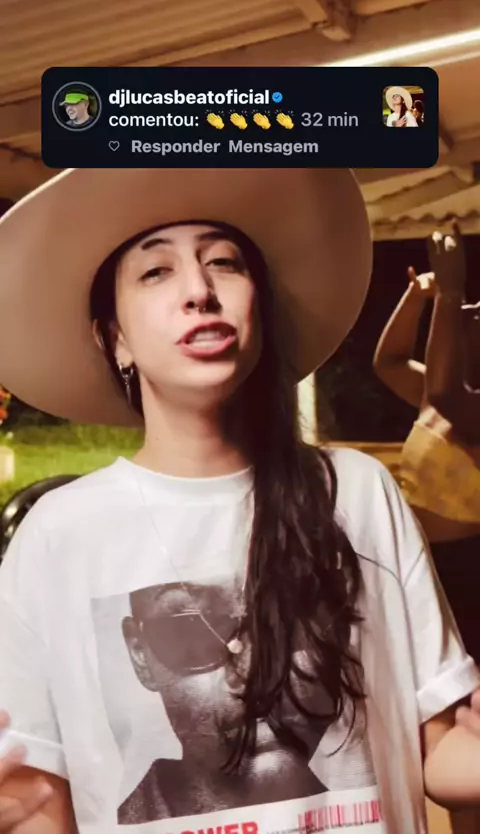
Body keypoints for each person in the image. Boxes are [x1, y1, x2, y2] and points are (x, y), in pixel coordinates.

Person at [0, 169, 480, 834]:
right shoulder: (58, 535)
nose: (199, 290)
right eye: (157, 272)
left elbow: (441, 752)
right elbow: (37, 802)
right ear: (116, 340)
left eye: (223, 262)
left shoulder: (355, 491)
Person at [373, 224, 480, 667]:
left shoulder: (463, 405)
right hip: (418, 562)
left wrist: (451, 295)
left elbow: (445, 391)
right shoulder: (433, 395)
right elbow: (389, 362)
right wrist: (418, 296)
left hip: (466, 573)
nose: (473, 309)